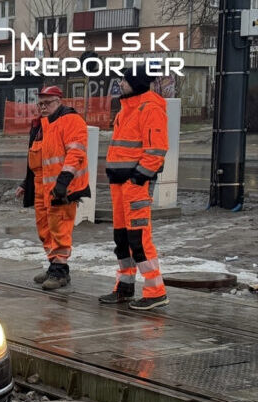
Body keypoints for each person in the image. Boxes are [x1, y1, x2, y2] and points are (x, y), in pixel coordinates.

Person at [100, 61, 168, 310]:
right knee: (122, 239)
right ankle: (125, 287)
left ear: (136, 83)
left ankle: (156, 292)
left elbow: (157, 149)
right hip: (121, 185)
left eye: (125, 80)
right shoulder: (126, 109)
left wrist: (139, 178)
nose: (121, 83)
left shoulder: (150, 108)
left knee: (138, 238)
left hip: (134, 185)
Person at [15, 86, 90, 290]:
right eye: (40, 103)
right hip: (42, 185)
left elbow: (76, 153)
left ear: (58, 101)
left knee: (60, 228)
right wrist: (26, 183)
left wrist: (63, 182)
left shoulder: (71, 121)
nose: (43, 107)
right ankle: (54, 265)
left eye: (47, 103)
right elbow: (36, 157)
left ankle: (60, 269)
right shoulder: (41, 124)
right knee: (45, 229)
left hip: (61, 187)